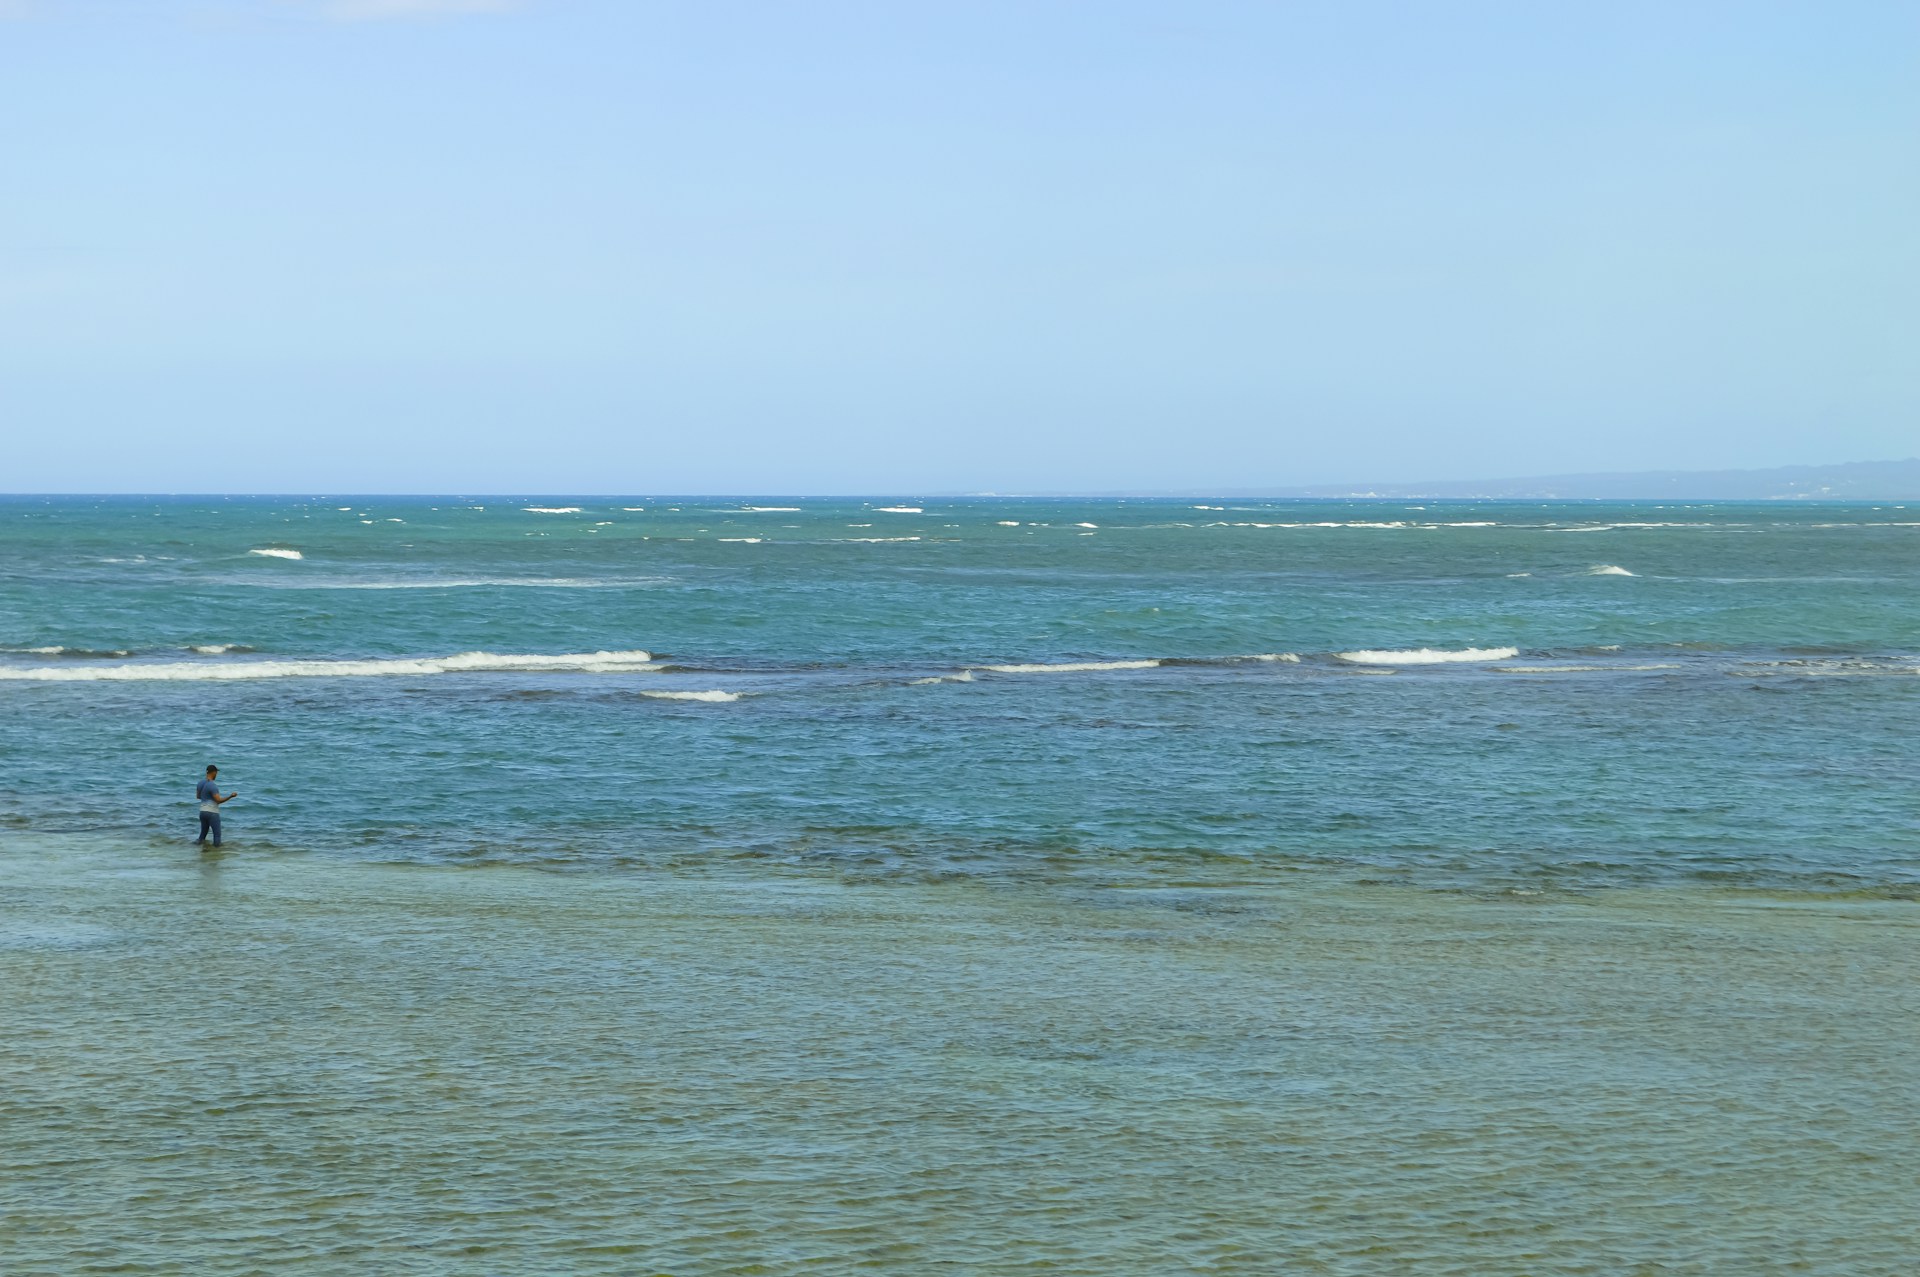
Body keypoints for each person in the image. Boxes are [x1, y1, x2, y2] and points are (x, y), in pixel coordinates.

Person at [195, 764, 237, 847]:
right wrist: (230, 796)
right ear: (214, 772)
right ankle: (216, 855)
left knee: (203, 834)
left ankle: (199, 850)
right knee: (217, 835)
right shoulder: (212, 785)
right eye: (216, 772)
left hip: (202, 812)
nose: (216, 774)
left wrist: (207, 797)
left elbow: (198, 796)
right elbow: (218, 800)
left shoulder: (200, 783)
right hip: (212, 813)